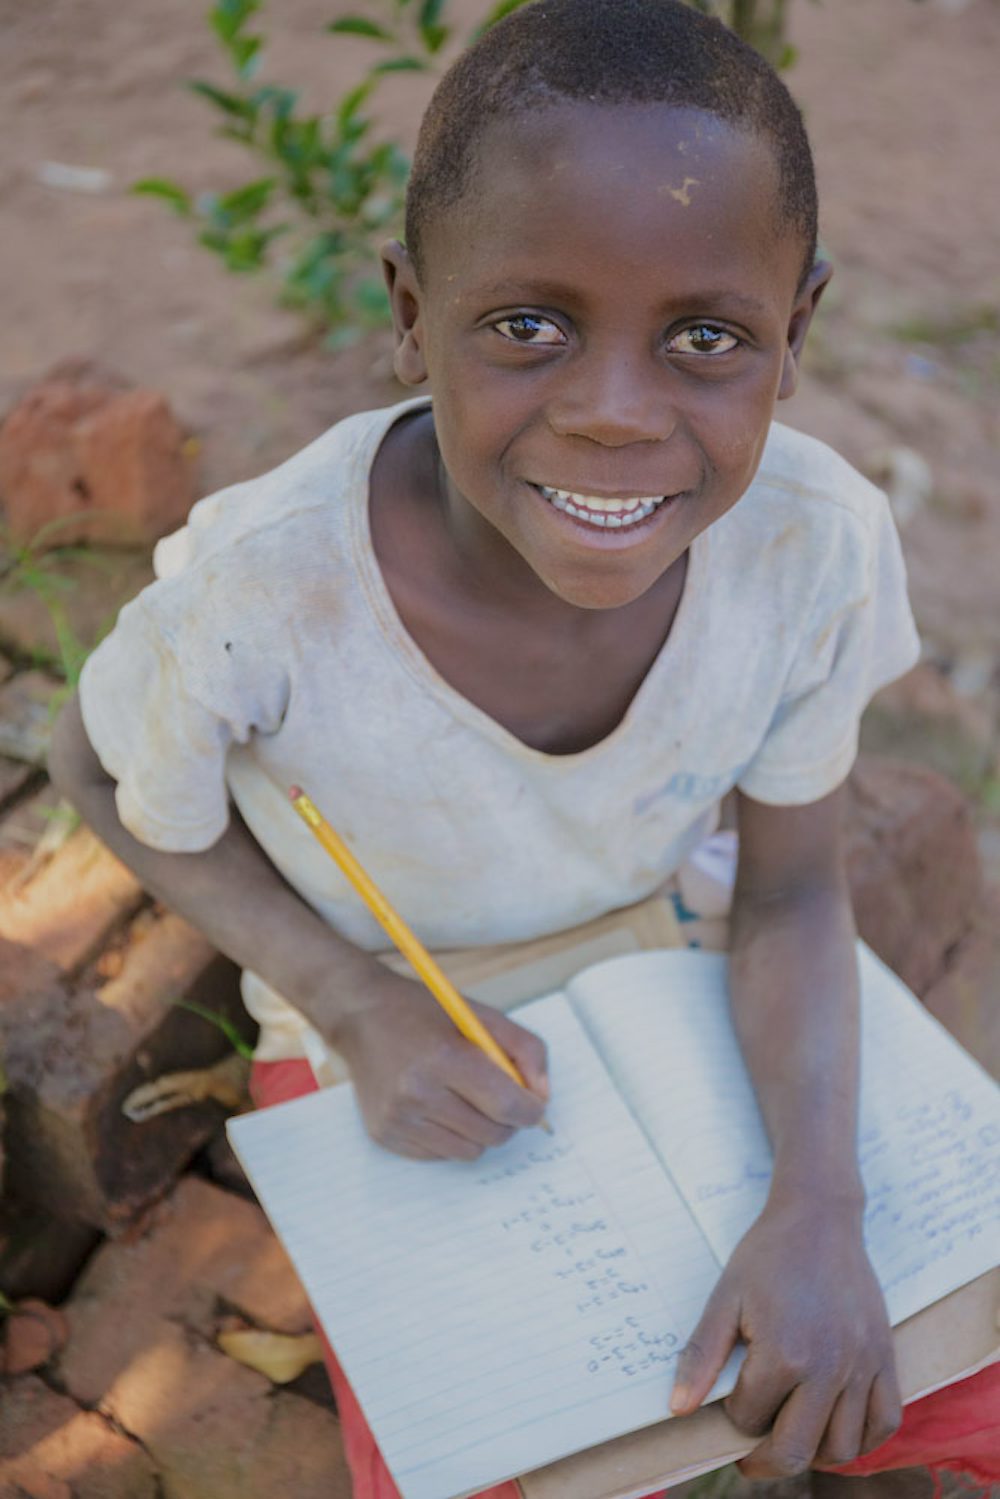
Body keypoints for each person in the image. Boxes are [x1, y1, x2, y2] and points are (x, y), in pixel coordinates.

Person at [50, 1, 999, 1495]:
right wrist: (356, 1009)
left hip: (668, 961)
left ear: (795, 330)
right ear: (414, 314)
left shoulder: (815, 544)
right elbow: (94, 765)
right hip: (389, 1021)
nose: (616, 417)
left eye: (706, 337)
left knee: (934, 1365)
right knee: (484, 1458)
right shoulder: (267, 588)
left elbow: (798, 893)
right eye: (527, 326)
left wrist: (820, 1207)